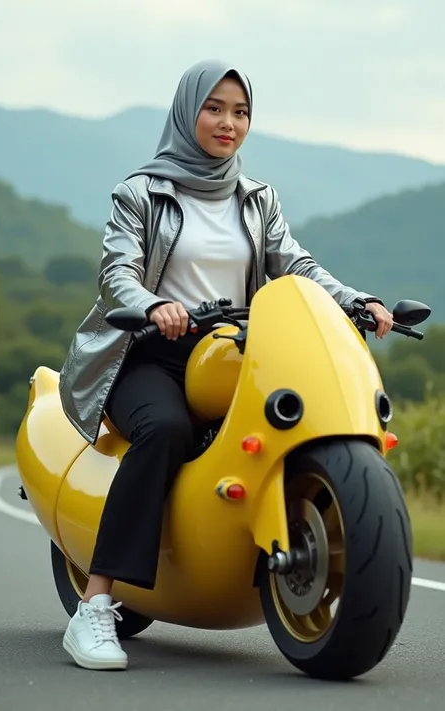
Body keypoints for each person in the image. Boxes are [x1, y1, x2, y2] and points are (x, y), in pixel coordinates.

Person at [58, 59, 393, 671]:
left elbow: (296, 264)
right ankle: (95, 607)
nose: (228, 123)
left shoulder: (256, 197)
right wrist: (155, 305)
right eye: (214, 107)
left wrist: (354, 301)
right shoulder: (141, 192)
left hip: (233, 352)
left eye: (240, 112)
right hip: (147, 352)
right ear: (188, 112)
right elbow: (116, 277)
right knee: (167, 429)